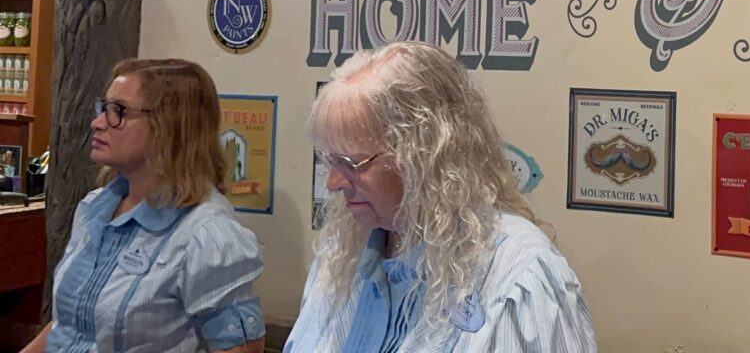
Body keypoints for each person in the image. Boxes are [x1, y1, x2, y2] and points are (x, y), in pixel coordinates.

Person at [286, 41, 596, 352]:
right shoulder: (341, 255)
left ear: (424, 156)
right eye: (329, 160)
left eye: (352, 163)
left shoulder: (520, 275)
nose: (333, 182)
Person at [24, 59, 265, 353]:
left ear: (169, 126)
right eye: (104, 108)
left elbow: (241, 348)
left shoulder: (207, 234)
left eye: (119, 111)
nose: (98, 122)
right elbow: (69, 330)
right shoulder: (94, 208)